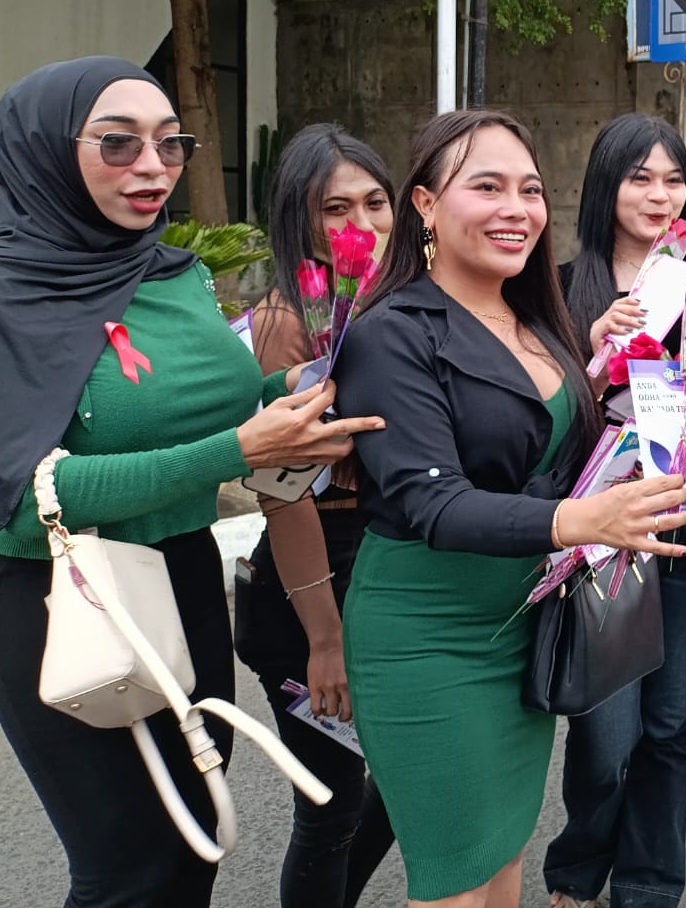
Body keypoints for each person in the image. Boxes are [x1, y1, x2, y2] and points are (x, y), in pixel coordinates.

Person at [0, 57, 384, 907]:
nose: (153, 168)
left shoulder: (174, 274)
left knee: (196, 843)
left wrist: (290, 398)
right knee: (127, 871)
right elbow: (21, 502)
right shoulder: (0, 293)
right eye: (118, 144)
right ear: (47, 150)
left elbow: (213, 410)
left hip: (186, 575)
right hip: (58, 595)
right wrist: (239, 448)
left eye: (171, 144)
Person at [333, 110, 686, 908]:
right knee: (455, 880)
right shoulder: (391, 333)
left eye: (529, 189)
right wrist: (581, 520)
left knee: (503, 863)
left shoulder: (537, 318)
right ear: (425, 204)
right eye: (487, 186)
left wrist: (673, 452)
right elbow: (433, 502)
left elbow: (566, 452)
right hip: (428, 640)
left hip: (523, 628)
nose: (516, 208)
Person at [543, 113, 686, 908]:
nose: (659, 194)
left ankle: (648, 883)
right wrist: (591, 348)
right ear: (607, 185)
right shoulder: (563, 286)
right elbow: (540, 414)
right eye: (640, 177)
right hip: (594, 539)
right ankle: (578, 862)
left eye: (672, 179)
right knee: (605, 737)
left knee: (667, 731)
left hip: (683, 531)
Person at [235, 124, 397, 908]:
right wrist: (325, 639)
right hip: (311, 589)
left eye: (376, 201)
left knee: (399, 789)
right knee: (331, 802)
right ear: (300, 220)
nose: (361, 225)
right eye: (337, 208)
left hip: (394, 577)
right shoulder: (282, 326)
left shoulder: (402, 306)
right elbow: (283, 491)